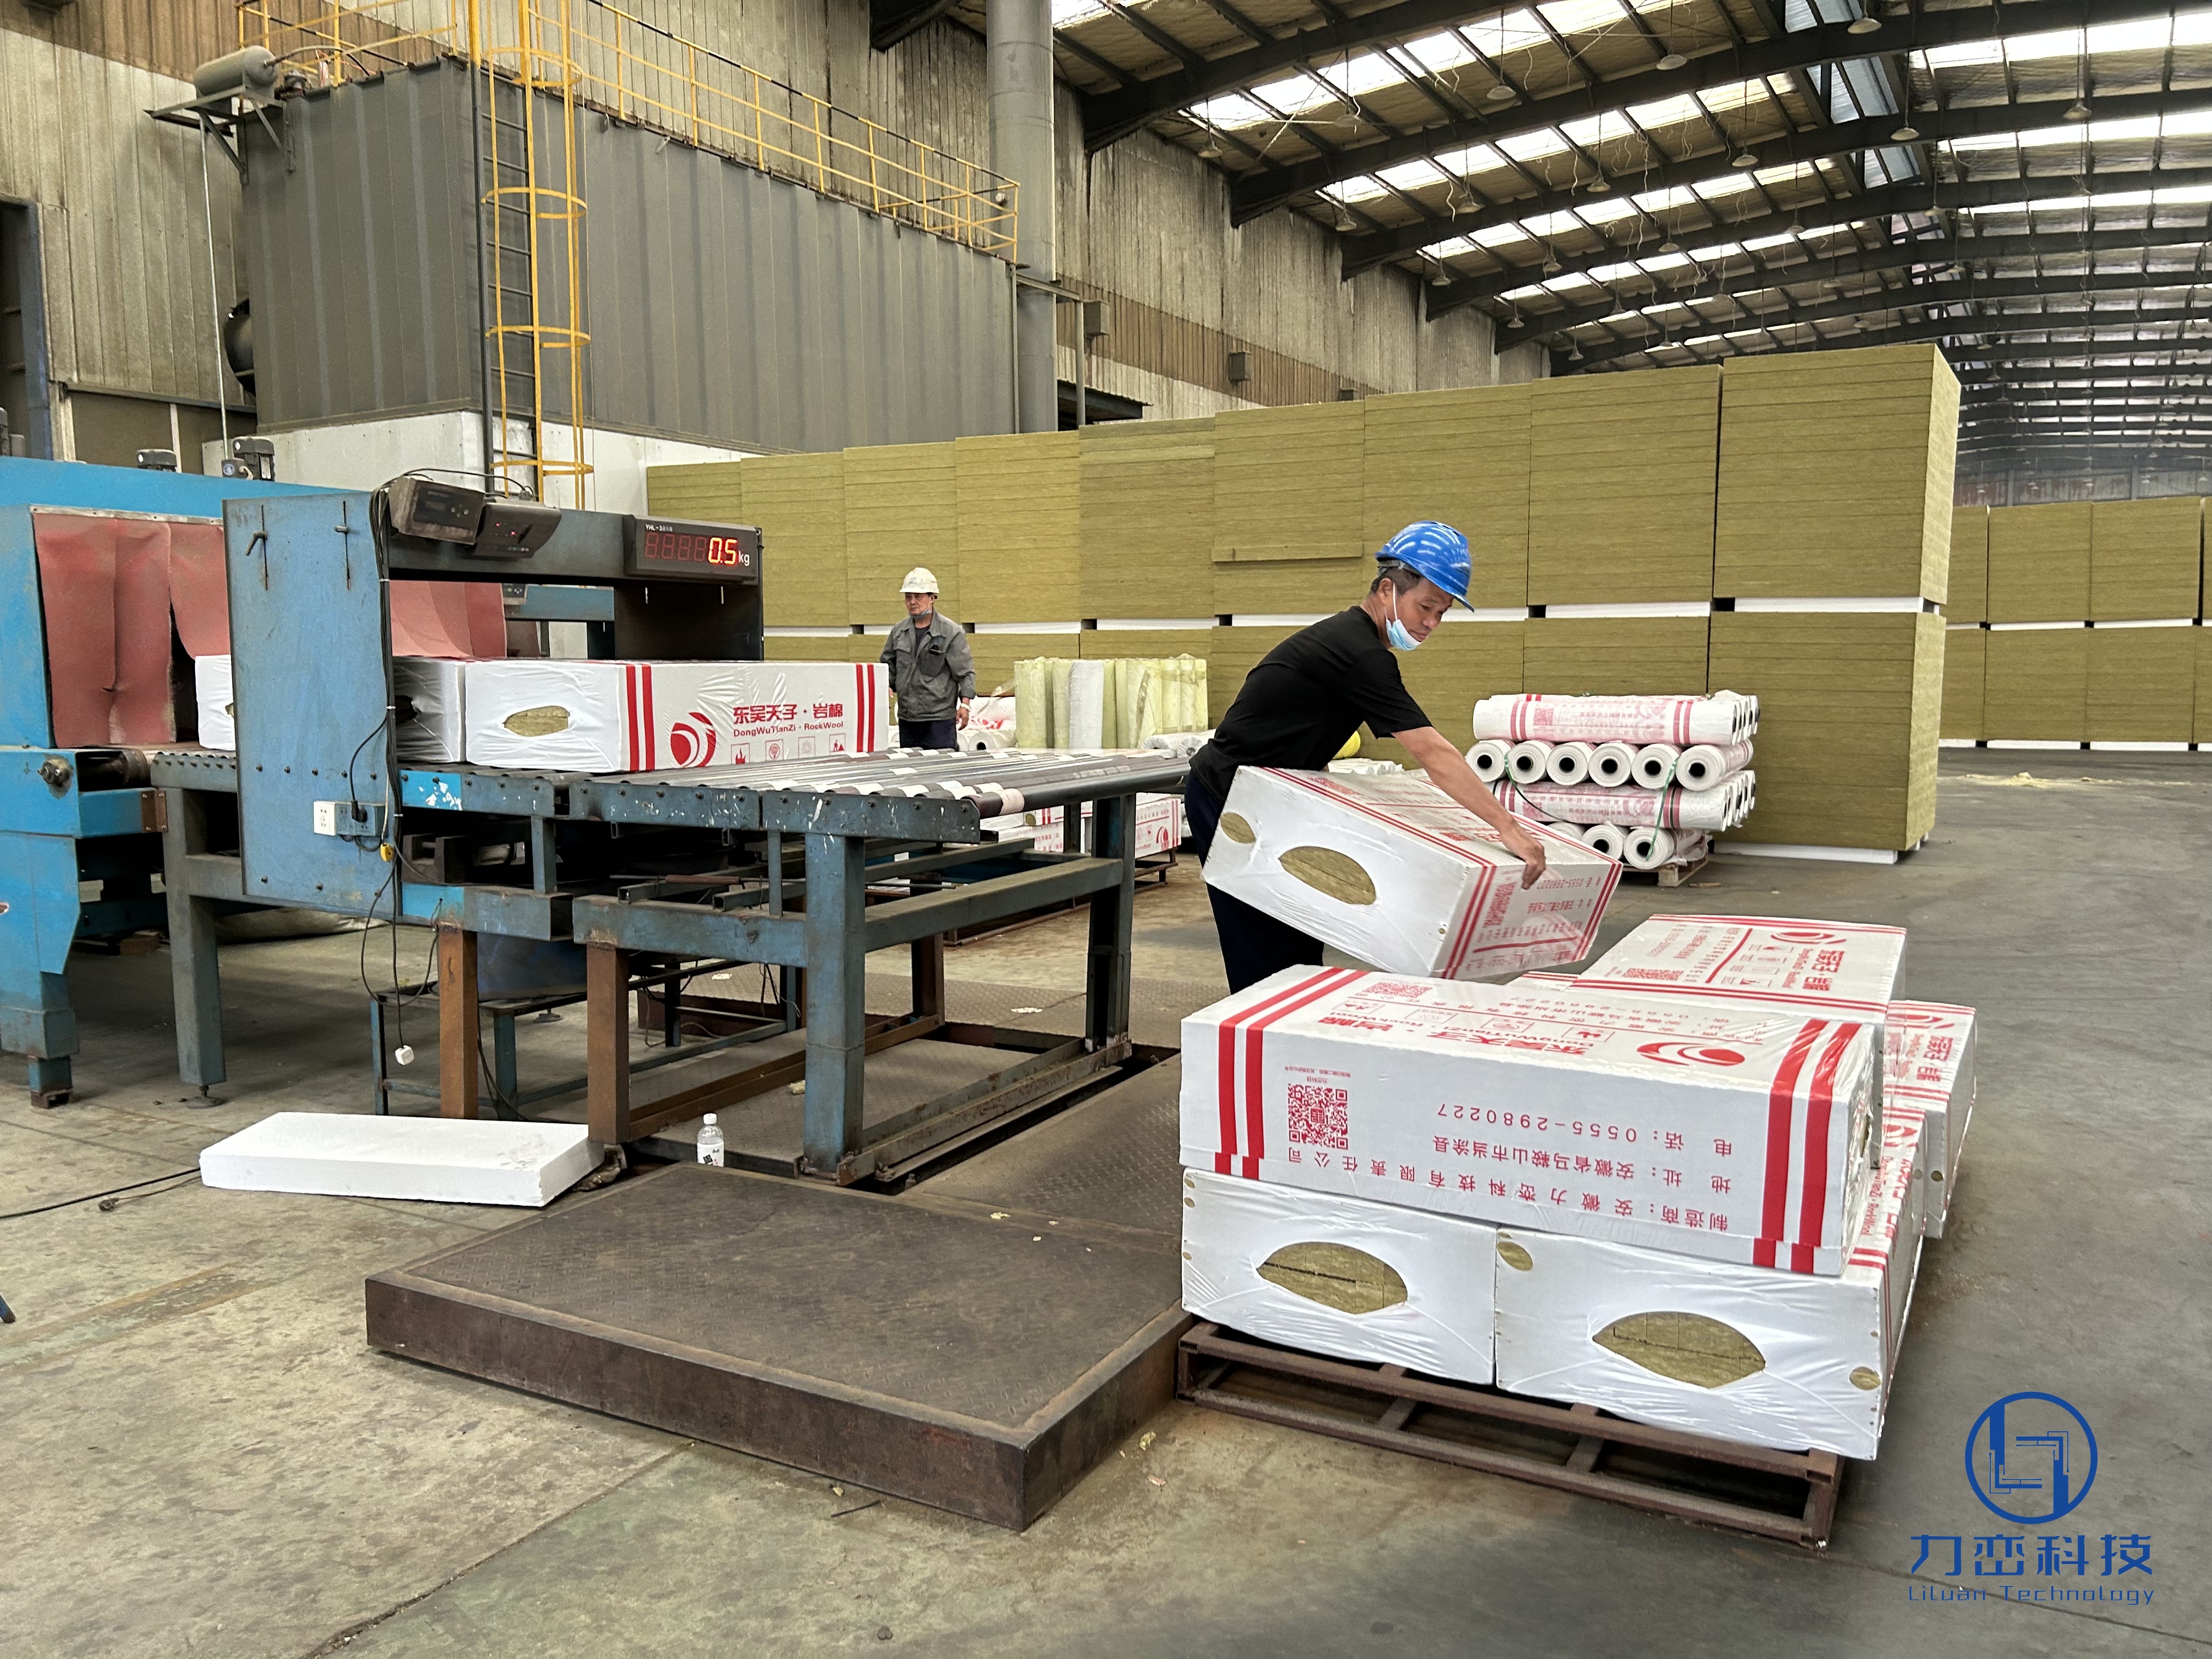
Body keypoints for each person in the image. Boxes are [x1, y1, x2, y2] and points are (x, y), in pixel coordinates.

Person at [1184, 521, 1550, 993]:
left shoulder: (1358, 646)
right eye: (1426, 607)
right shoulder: (1357, 653)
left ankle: (1290, 1040)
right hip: (1227, 797)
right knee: (1263, 947)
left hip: (1271, 799)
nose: (1431, 623)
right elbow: (1431, 751)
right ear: (1386, 589)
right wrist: (1507, 828)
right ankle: (1257, 1050)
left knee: (1298, 939)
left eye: (1442, 613)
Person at [881, 566, 974, 749]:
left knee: (941, 770)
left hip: (939, 719)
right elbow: (888, 665)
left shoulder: (950, 633)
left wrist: (965, 706)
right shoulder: (899, 632)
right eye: (908, 597)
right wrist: (886, 684)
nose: (913, 602)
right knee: (911, 770)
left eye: (919, 596)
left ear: (932, 598)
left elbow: (965, 673)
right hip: (908, 718)